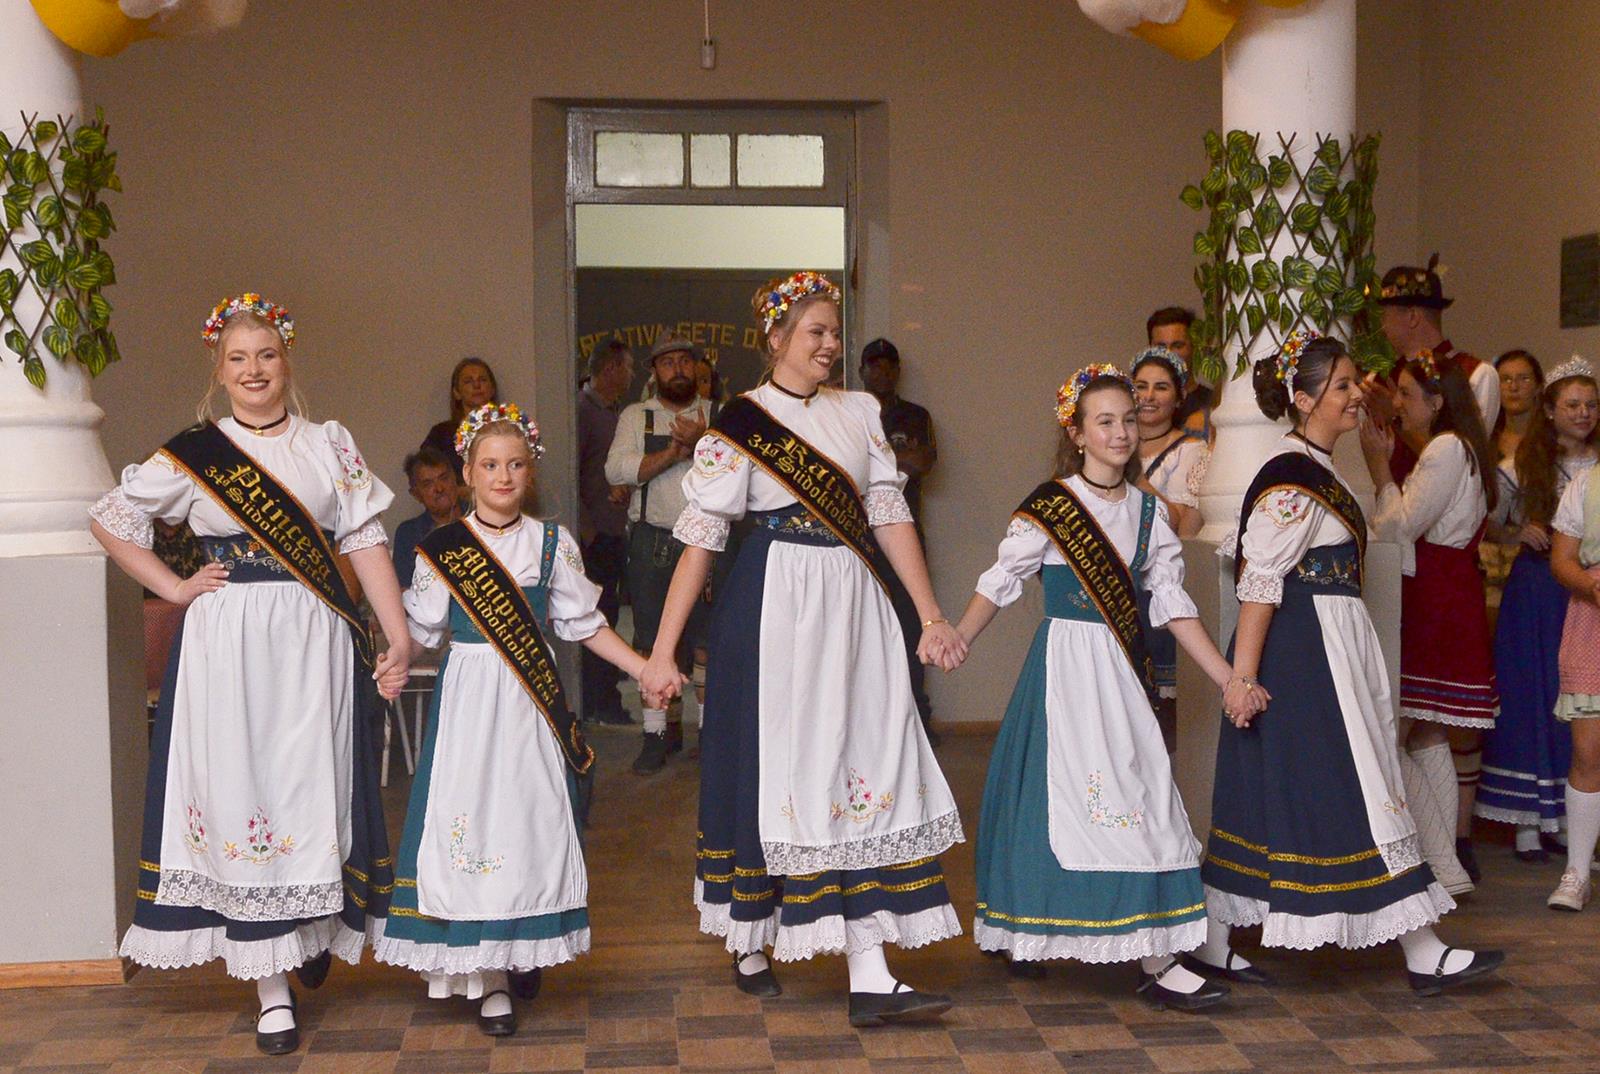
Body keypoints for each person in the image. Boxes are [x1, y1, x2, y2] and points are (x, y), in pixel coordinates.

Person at [640, 271, 964, 1027]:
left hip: (856, 602)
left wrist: (928, 614)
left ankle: (869, 969)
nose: (829, 344)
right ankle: (752, 932)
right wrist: (662, 652)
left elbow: (888, 515)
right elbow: (701, 542)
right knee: (771, 765)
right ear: (776, 339)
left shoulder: (860, 411)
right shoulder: (741, 421)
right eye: (815, 331)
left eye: (834, 331)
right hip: (775, 602)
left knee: (862, 762)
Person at [88, 295, 408, 1055]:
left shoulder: (328, 444)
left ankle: (313, 923)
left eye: (266, 354)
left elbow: (364, 538)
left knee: (313, 783)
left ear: (286, 360)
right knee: (245, 791)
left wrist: (395, 633)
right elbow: (111, 519)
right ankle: (271, 986)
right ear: (219, 369)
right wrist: (172, 587)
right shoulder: (196, 453)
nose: (254, 370)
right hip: (229, 641)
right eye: (238, 358)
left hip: (315, 634)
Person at [953, 364, 1263, 1011]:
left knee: (1143, 797)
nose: (1121, 432)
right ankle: (1045, 932)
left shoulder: (1150, 513)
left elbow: (1173, 608)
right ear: (1078, 433)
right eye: (1105, 422)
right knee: (1057, 802)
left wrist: (1230, 678)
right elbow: (1000, 582)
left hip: (1122, 676)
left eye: (1128, 419)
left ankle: (1159, 950)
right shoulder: (1051, 507)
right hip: (1065, 673)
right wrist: (957, 637)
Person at [1203, 331, 1503, 995]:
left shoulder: (1321, 468)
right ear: (1304, 398)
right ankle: (1422, 950)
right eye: (1341, 386)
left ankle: (1215, 940)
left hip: (1330, 644)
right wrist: (1243, 678)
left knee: (1277, 791)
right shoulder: (1290, 478)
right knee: (1359, 789)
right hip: (1305, 653)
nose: (1355, 395)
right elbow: (1260, 582)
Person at [375, 402, 678, 1035]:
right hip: (468, 705)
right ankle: (490, 977)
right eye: (489, 465)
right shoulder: (442, 549)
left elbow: (585, 625)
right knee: (476, 822)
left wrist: (644, 667)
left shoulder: (551, 544)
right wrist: (393, 660)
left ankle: (522, 944)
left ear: (529, 471)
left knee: (526, 820)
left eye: (515, 464)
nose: (503, 476)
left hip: (530, 706)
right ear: (468, 473)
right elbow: (419, 632)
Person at [1361, 351, 1498, 893]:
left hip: (1434, 595)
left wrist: (1379, 469)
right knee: (1427, 727)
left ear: (1437, 401)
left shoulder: (1446, 448)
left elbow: (1399, 527)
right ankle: (1448, 870)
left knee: (1395, 730)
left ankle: (1437, 862)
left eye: (1406, 394)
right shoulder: (1460, 447)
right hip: (1449, 589)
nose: (1398, 403)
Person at [1477, 359, 1598, 862]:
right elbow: (1484, 521)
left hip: (1585, 592)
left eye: (1591, 405)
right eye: (1572, 405)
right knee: (1532, 692)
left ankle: (1570, 819)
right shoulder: (1521, 466)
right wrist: (1515, 532)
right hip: (1536, 591)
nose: (1583, 413)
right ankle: (1527, 819)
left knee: (1577, 698)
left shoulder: (1598, 467)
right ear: (1549, 410)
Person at [605, 337, 713, 772]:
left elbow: (742, 467)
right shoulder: (637, 416)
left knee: (705, 644)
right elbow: (616, 469)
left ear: (697, 367)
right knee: (650, 642)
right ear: (655, 371)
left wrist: (703, 441)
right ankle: (657, 735)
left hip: (707, 544)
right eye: (668, 363)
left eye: (685, 361)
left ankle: (709, 734)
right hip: (652, 541)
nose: (678, 369)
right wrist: (672, 454)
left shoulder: (718, 415)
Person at [860, 337, 939, 742]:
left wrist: (878, 461)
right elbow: (854, 469)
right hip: (859, 538)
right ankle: (871, 720)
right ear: (862, 371)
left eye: (889, 365)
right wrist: (896, 461)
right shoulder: (853, 411)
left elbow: (923, 461)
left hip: (906, 534)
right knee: (863, 627)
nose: (882, 372)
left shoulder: (914, 415)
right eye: (874, 365)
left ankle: (917, 717)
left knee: (912, 624)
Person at [1131, 346, 1210, 750]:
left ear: (1178, 398)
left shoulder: (1192, 452)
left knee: (1161, 719)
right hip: (1115, 581)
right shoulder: (1109, 441)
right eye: (1140, 386)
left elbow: (1180, 523)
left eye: (1161, 387)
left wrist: (1132, 473)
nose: (1148, 396)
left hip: (1157, 584)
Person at [1545, 364, 1600, 911]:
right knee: (1588, 750)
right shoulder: (1587, 485)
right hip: (1593, 621)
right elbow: (1561, 560)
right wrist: (1591, 585)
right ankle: (1576, 873)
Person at [1376, 254, 1501, 478]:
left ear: (1412, 317)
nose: (1382, 326)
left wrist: (1395, 417)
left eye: (1385, 315)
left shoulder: (1476, 374)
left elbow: (1465, 465)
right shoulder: (1383, 378)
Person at [577, 339, 635, 725]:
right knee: (597, 618)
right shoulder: (583, 412)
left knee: (611, 613)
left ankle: (606, 696)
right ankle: (599, 702)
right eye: (628, 367)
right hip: (594, 536)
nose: (632, 375)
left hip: (614, 531)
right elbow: (573, 471)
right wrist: (588, 532)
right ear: (611, 368)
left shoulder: (614, 412)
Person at [1480, 352, 1545, 617]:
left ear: (1539, 387)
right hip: (1488, 558)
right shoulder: (1485, 440)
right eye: (1505, 379)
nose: (1513, 387)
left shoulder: (1551, 441)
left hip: (1536, 555)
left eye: (1523, 378)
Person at [392, 446, 462, 588]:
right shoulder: (408, 533)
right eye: (427, 484)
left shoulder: (480, 515)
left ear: (455, 478)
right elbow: (403, 589)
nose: (439, 488)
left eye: (444, 478)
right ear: (416, 494)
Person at [1146, 307, 1216, 443]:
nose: (1169, 354)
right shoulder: (1139, 405)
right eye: (1160, 347)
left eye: (1177, 346)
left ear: (1194, 347)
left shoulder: (1212, 403)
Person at [423, 357, 499, 476]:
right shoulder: (441, 434)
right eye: (468, 381)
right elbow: (426, 474)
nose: (477, 385)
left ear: (492, 389)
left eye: (483, 380)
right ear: (457, 393)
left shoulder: (509, 429)